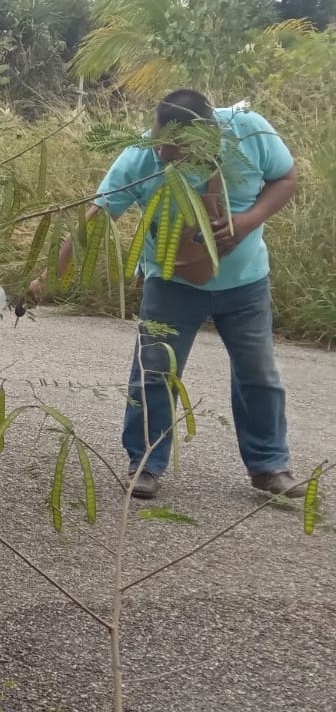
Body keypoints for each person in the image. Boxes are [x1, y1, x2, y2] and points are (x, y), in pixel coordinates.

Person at [28, 89, 300, 500]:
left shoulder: (248, 133)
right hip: (170, 285)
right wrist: (47, 278)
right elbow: (96, 219)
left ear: (203, 138)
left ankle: (269, 467)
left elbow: (286, 177)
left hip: (245, 283)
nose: (161, 156)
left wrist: (246, 222)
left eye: (171, 151)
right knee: (153, 374)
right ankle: (145, 465)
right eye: (158, 144)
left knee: (258, 374)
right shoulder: (142, 157)